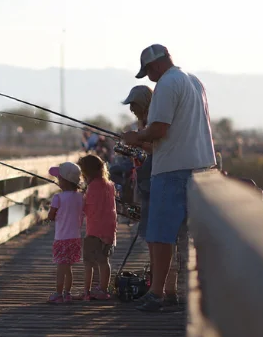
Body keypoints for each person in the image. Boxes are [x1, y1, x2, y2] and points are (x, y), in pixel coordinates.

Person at [122, 44, 216, 312]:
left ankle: (157, 293)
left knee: (160, 235)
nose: (149, 77)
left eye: (149, 71)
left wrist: (134, 137)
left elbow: (160, 128)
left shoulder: (166, 83)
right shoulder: (194, 82)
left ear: (157, 65)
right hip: (201, 166)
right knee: (189, 236)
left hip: (172, 169)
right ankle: (188, 294)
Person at [74, 154, 117, 301]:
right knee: (104, 261)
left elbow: (86, 209)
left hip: (94, 231)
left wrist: (81, 196)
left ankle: (87, 291)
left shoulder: (92, 187)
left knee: (88, 263)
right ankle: (103, 290)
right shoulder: (110, 185)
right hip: (109, 230)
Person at [46, 161, 84, 304]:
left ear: (65, 181)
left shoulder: (58, 197)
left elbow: (51, 216)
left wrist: (51, 216)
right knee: (68, 267)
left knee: (61, 268)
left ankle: (58, 293)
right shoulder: (80, 197)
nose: (57, 180)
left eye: (59, 178)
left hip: (61, 238)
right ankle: (67, 293)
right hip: (75, 239)